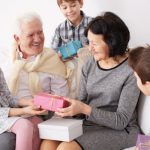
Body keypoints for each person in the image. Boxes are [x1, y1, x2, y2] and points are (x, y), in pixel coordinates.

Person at [40, 12, 141, 150]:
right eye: (89, 42)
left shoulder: (130, 71)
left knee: (66, 148)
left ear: (112, 42)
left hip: (121, 130)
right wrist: (67, 106)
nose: (90, 48)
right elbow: (81, 104)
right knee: (48, 144)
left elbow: (121, 121)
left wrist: (84, 109)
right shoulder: (90, 64)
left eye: (95, 43)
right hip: (90, 124)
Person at [1, 12, 69, 150]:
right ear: (17, 38)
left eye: (40, 32)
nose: (37, 39)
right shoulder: (7, 57)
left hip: (36, 116)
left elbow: (61, 102)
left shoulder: (52, 60)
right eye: (31, 35)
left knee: (33, 126)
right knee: (6, 142)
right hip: (7, 116)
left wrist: (45, 105)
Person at [0, 68, 46, 150]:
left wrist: (28, 102)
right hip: (2, 117)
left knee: (37, 122)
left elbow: (8, 97)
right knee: (24, 125)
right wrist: (24, 110)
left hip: (5, 116)